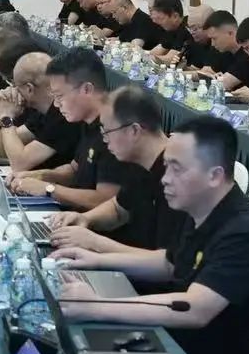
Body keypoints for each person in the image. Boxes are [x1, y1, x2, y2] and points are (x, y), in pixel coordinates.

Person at [56, 115, 249, 354]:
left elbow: (195, 309)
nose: (165, 178)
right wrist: (96, 258)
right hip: (193, 349)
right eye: (166, 166)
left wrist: (97, 306)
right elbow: (170, 263)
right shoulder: (202, 208)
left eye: (177, 169)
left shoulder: (247, 232)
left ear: (214, 175)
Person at [44, 87, 186, 254]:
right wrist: (85, 218)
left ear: (134, 130)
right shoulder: (141, 163)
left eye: (107, 132)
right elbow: (118, 209)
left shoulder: (176, 177)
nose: (104, 140)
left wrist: (94, 242)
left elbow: (168, 263)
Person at [10, 49, 137, 211]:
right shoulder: (87, 119)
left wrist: (49, 189)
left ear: (87, 89)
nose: (56, 104)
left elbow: (105, 201)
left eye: (59, 96)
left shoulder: (117, 129)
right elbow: (74, 169)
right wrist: (40, 176)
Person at [182, 9, 237, 74]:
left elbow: (205, 73)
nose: (213, 44)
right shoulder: (218, 49)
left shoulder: (243, 55)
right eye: (190, 28)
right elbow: (205, 72)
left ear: (230, 33)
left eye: (195, 28)